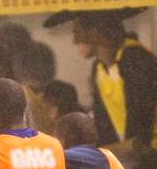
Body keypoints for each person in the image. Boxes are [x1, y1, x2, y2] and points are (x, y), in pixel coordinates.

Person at [44, 8, 156, 153]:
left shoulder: (136, 59)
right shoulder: (98, 68)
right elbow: (103, 119)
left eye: (78, 33)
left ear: (96, 33)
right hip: (125, 151)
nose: (74, 40)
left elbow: (142, 117)